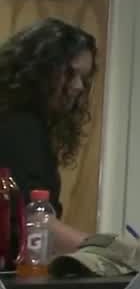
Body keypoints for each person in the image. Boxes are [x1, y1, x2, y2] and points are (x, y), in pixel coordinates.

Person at [0, 17, 97, 260]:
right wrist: (111, 250)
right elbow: (33, 219)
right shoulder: (18, 124)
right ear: (40, 69)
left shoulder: (23, 119)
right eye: (70, 74)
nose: (77, 87)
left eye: (83, 79)